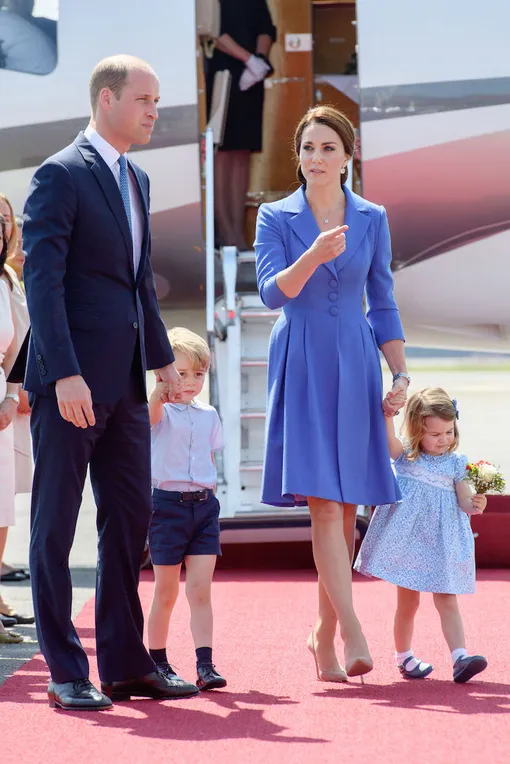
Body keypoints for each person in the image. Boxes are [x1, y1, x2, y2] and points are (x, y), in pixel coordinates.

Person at [15, 54, 198, 711]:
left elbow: (138, 281)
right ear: (107, 100)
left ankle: (125, 666)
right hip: (70, 386)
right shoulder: (60, 174)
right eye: (145, 99)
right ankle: (66, 670)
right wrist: (64, 372)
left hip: (125, 386)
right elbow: (42, 284)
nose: (155, 111)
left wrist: (162, 360)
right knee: (55, 527)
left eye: (157, 100)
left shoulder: (137, 178)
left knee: (129, 521)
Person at [254, 105, 410, 681]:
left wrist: (399, 374)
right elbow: (272, 293)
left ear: (348, 156)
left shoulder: (373, 216)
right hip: (301, 359)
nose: (315, 158)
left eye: (327, 148)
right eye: (307, 148)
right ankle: (352, 630)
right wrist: (313, 255)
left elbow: (383, 301)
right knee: (323, 502)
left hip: (356, 359)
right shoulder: (275, 215)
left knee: (345, 511)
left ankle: (321, 636)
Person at [354, 388, 489, 683]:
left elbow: (464, 501)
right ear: (417, 430)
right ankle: (404, 657)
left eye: (449, 432)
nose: (444, 440)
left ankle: (460, 658)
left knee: (447, 598)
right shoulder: (406, 455)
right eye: (435, 434)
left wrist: (475, 504)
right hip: (410, 543)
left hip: (442, 543)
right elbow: (388, 442)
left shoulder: (457, 463)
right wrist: (388, 415)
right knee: (408, 603)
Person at [148, 327, 227, 691]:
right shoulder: (159, 412)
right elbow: (149, 418)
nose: (191, 382)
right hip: (166, 508)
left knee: (200, 590)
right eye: (181, 373)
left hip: (204, 508)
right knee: (165, 592)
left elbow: (208, 456)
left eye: (199, 373)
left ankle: (205, 664)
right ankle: (158, 662)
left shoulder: (208, 414)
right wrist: (159, 392)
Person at [206, 0, 276, 250]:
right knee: (221, 152)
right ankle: (225, 231)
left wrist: (259, 61)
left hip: (251, 78)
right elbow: (212, 31)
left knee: (241, 152)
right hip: (221, 73)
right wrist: (248, 59)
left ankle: (238, 229)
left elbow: (267, 28)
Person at [0, 212, 24, 644]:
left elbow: (17, 344)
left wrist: (10, 396)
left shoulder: (4, 280)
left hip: (0, 396)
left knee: (1, 506)